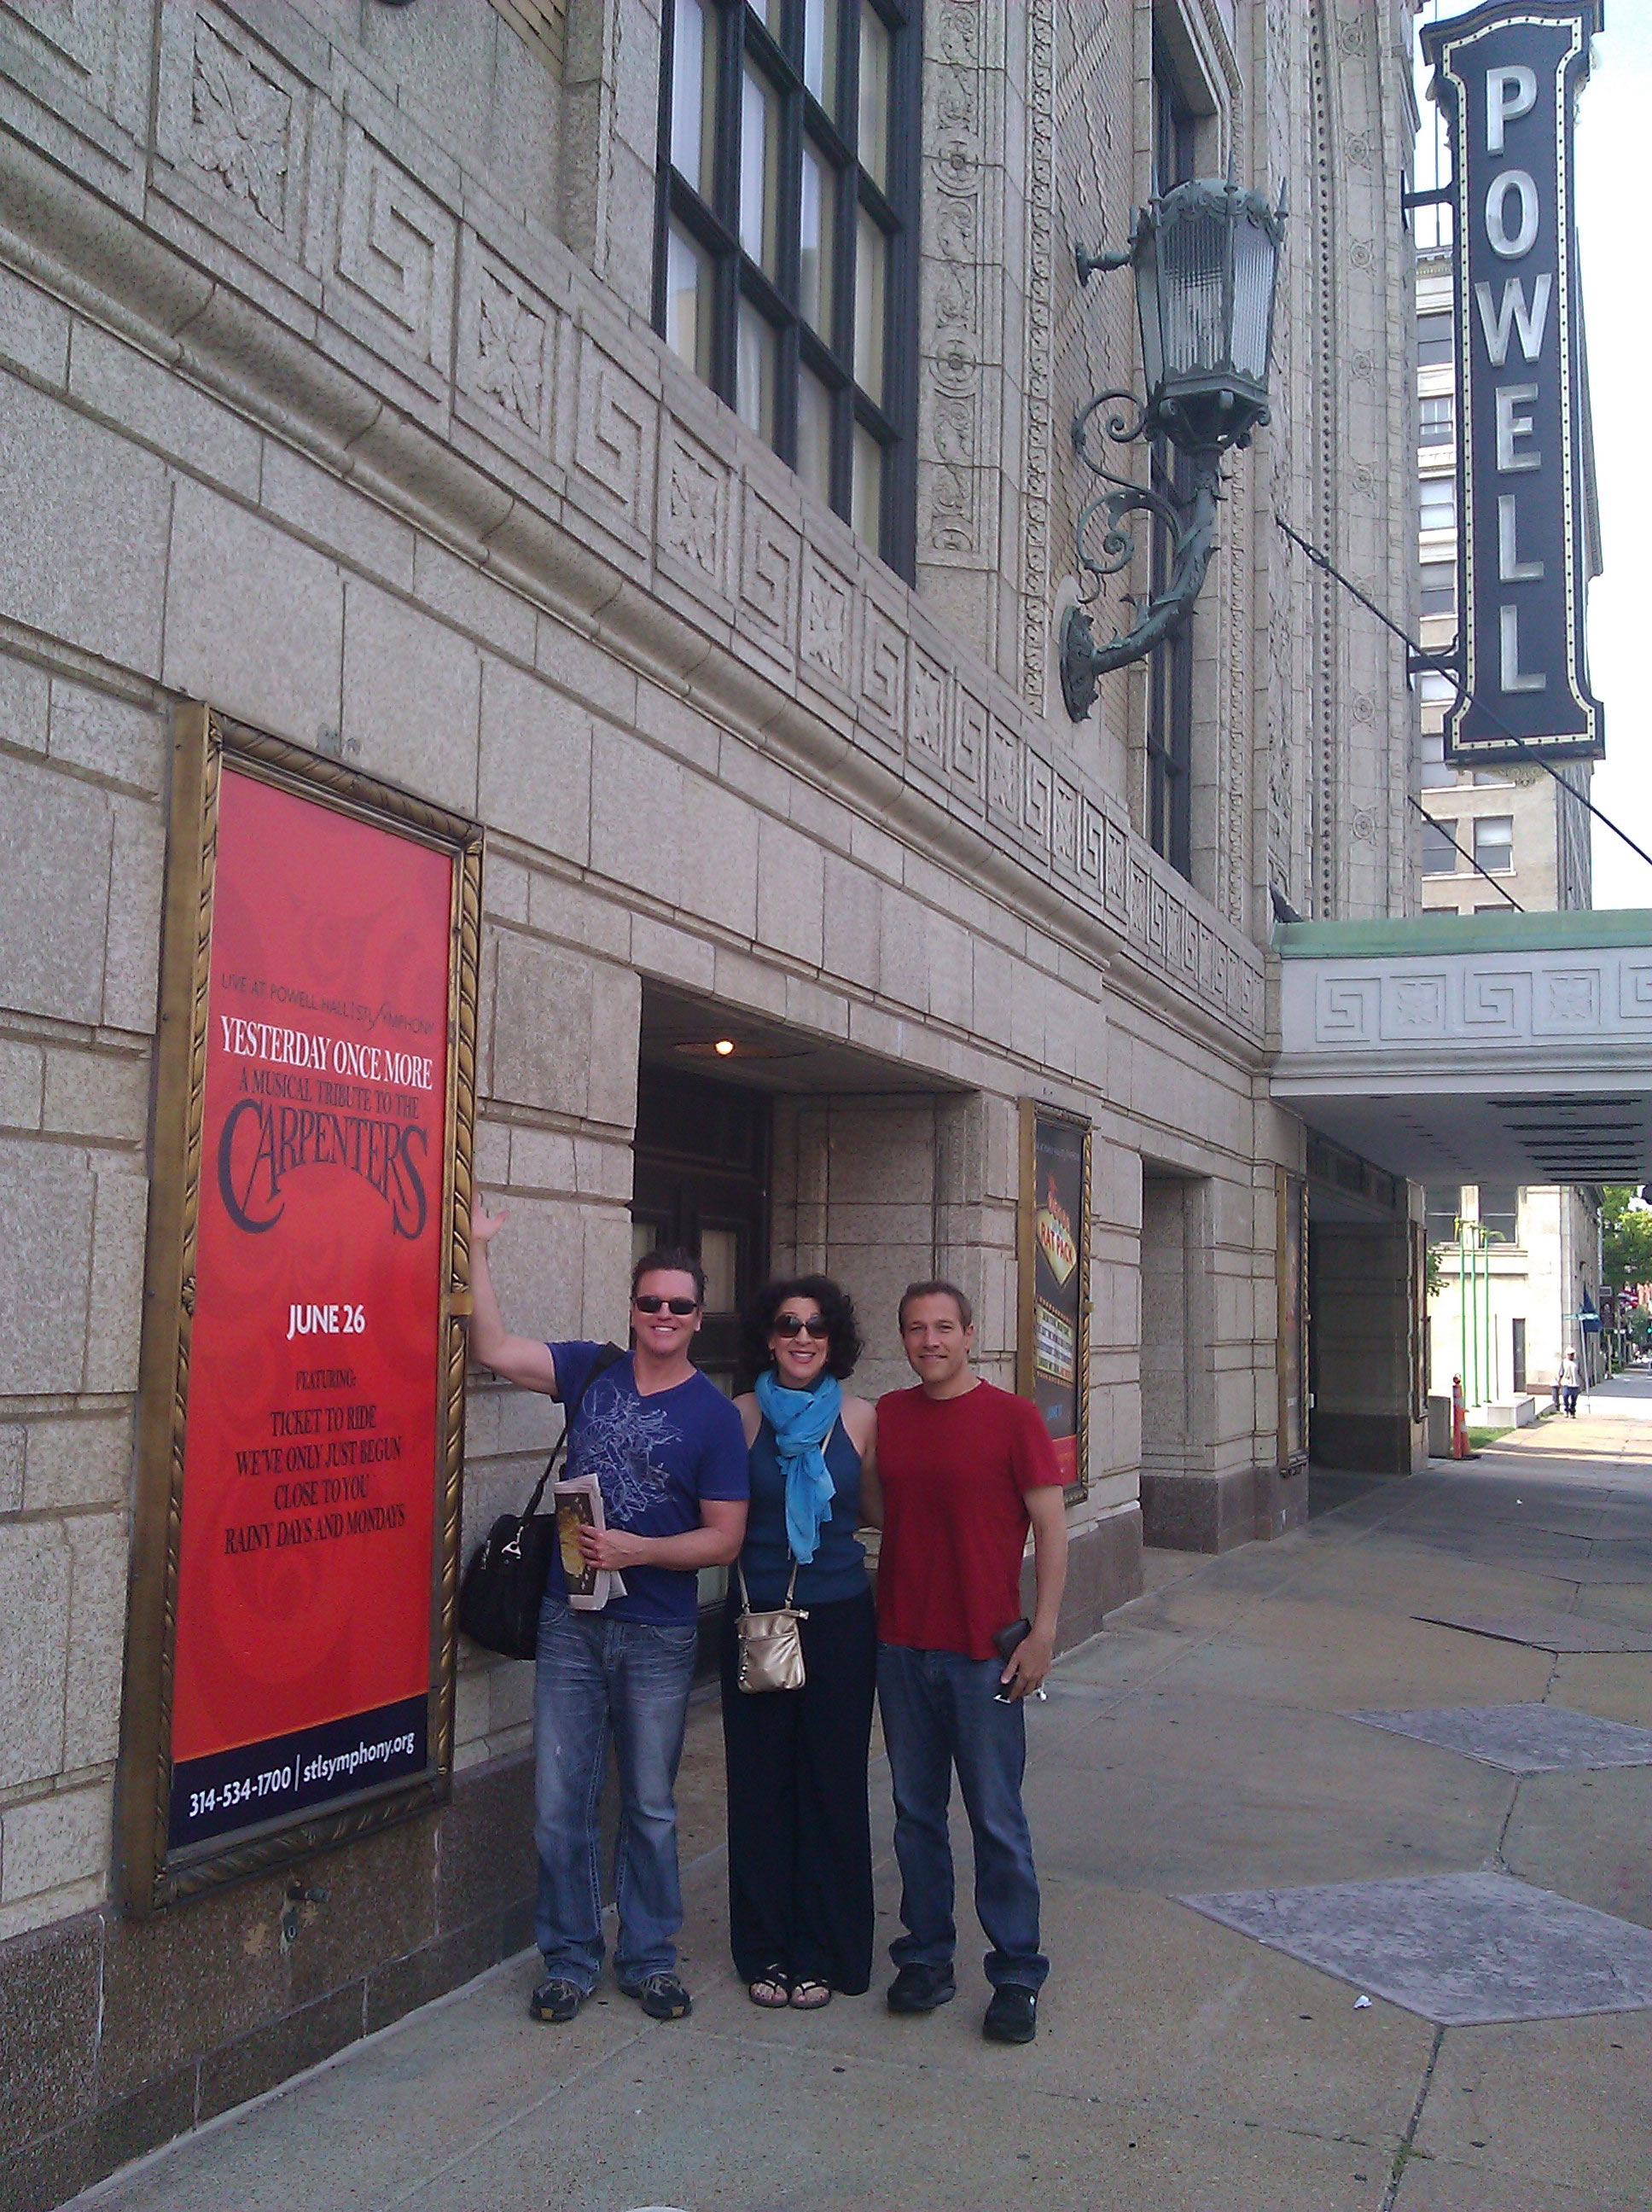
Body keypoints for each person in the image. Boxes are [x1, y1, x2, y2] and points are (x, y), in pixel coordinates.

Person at [467, 1202, 748, 2025]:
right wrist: (480, 1251)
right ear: (631, 1309)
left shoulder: (715, 1417)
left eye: (680, 1306)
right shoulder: (590, 1371)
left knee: (652, 1807)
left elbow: (725, 1539)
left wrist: (641, 1551)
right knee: (561, 1800)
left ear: (698, 1318)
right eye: (650, 1303)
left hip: (659, 1632)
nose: (664, 1317)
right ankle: (568, 1957)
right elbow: (492, 1348)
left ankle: (650, 1958)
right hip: (568, 1621)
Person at [873, 1280, 1068, 2047]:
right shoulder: (889, 1416)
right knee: (916, 1815)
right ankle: (925, 1956)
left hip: (983, 1655)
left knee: (995, 1816)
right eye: (917, 1329)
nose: (931, 1342)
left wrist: (1042, 1634)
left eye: (944, 1328)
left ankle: (1016, 1972)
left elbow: (1051, 1528)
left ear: (970, 1334)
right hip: (901, 1646)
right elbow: (877, 1508)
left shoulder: (1014, 1418)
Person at [722, 1277, 880, 2012]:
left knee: (833, 1786)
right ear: (768, 1334)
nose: (802, 1337)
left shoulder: (862, 1418)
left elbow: (883, 1509)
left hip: (841, 1621)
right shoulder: (738, 1416)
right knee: (761, 1789)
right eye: (788, 1323)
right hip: (758, 1621)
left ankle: (828, 1947)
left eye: (816, 1326)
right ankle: (766, 1947)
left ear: (834, 1337)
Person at [1559, 1345, 1581, 1417]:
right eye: (1570, 1354)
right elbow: (1561, 1372)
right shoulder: (1564, 1362)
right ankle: (1566, 1409)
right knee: (1565, 1396)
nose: (1571, 1356)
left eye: (1572, 1354)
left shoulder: (1577, 1362)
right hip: (1566, 1382)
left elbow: (1580, 1372)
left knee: (1574, 1398)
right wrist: (1559, 1381)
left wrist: (1583, 1381)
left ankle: (1572, 1411)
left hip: (1575, 1382)